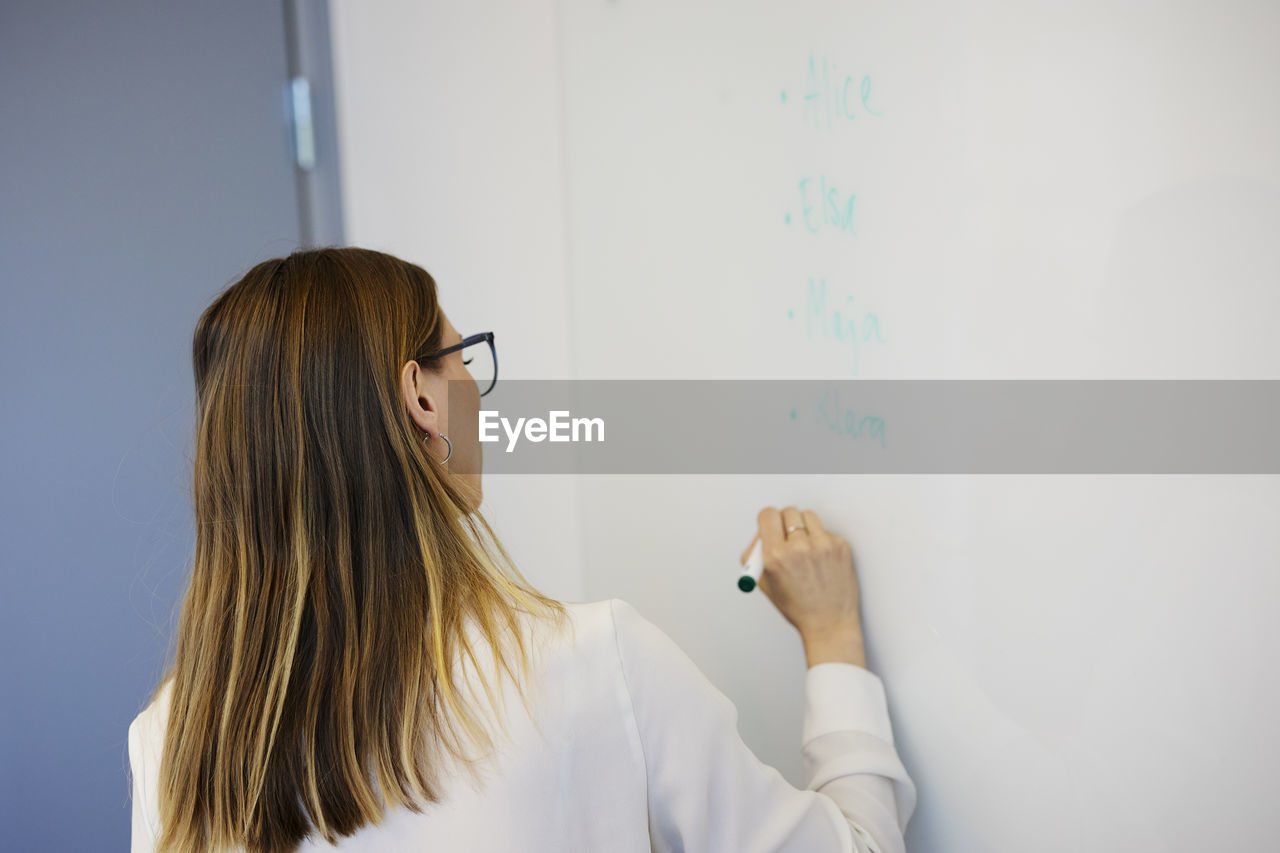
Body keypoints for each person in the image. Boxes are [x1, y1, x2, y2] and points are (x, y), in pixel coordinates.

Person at [127, 247, 916, 853]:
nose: (477, 387)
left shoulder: (170, 737)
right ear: (424, 399)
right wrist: (834, 636)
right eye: (464, 357)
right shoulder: (592, 664)